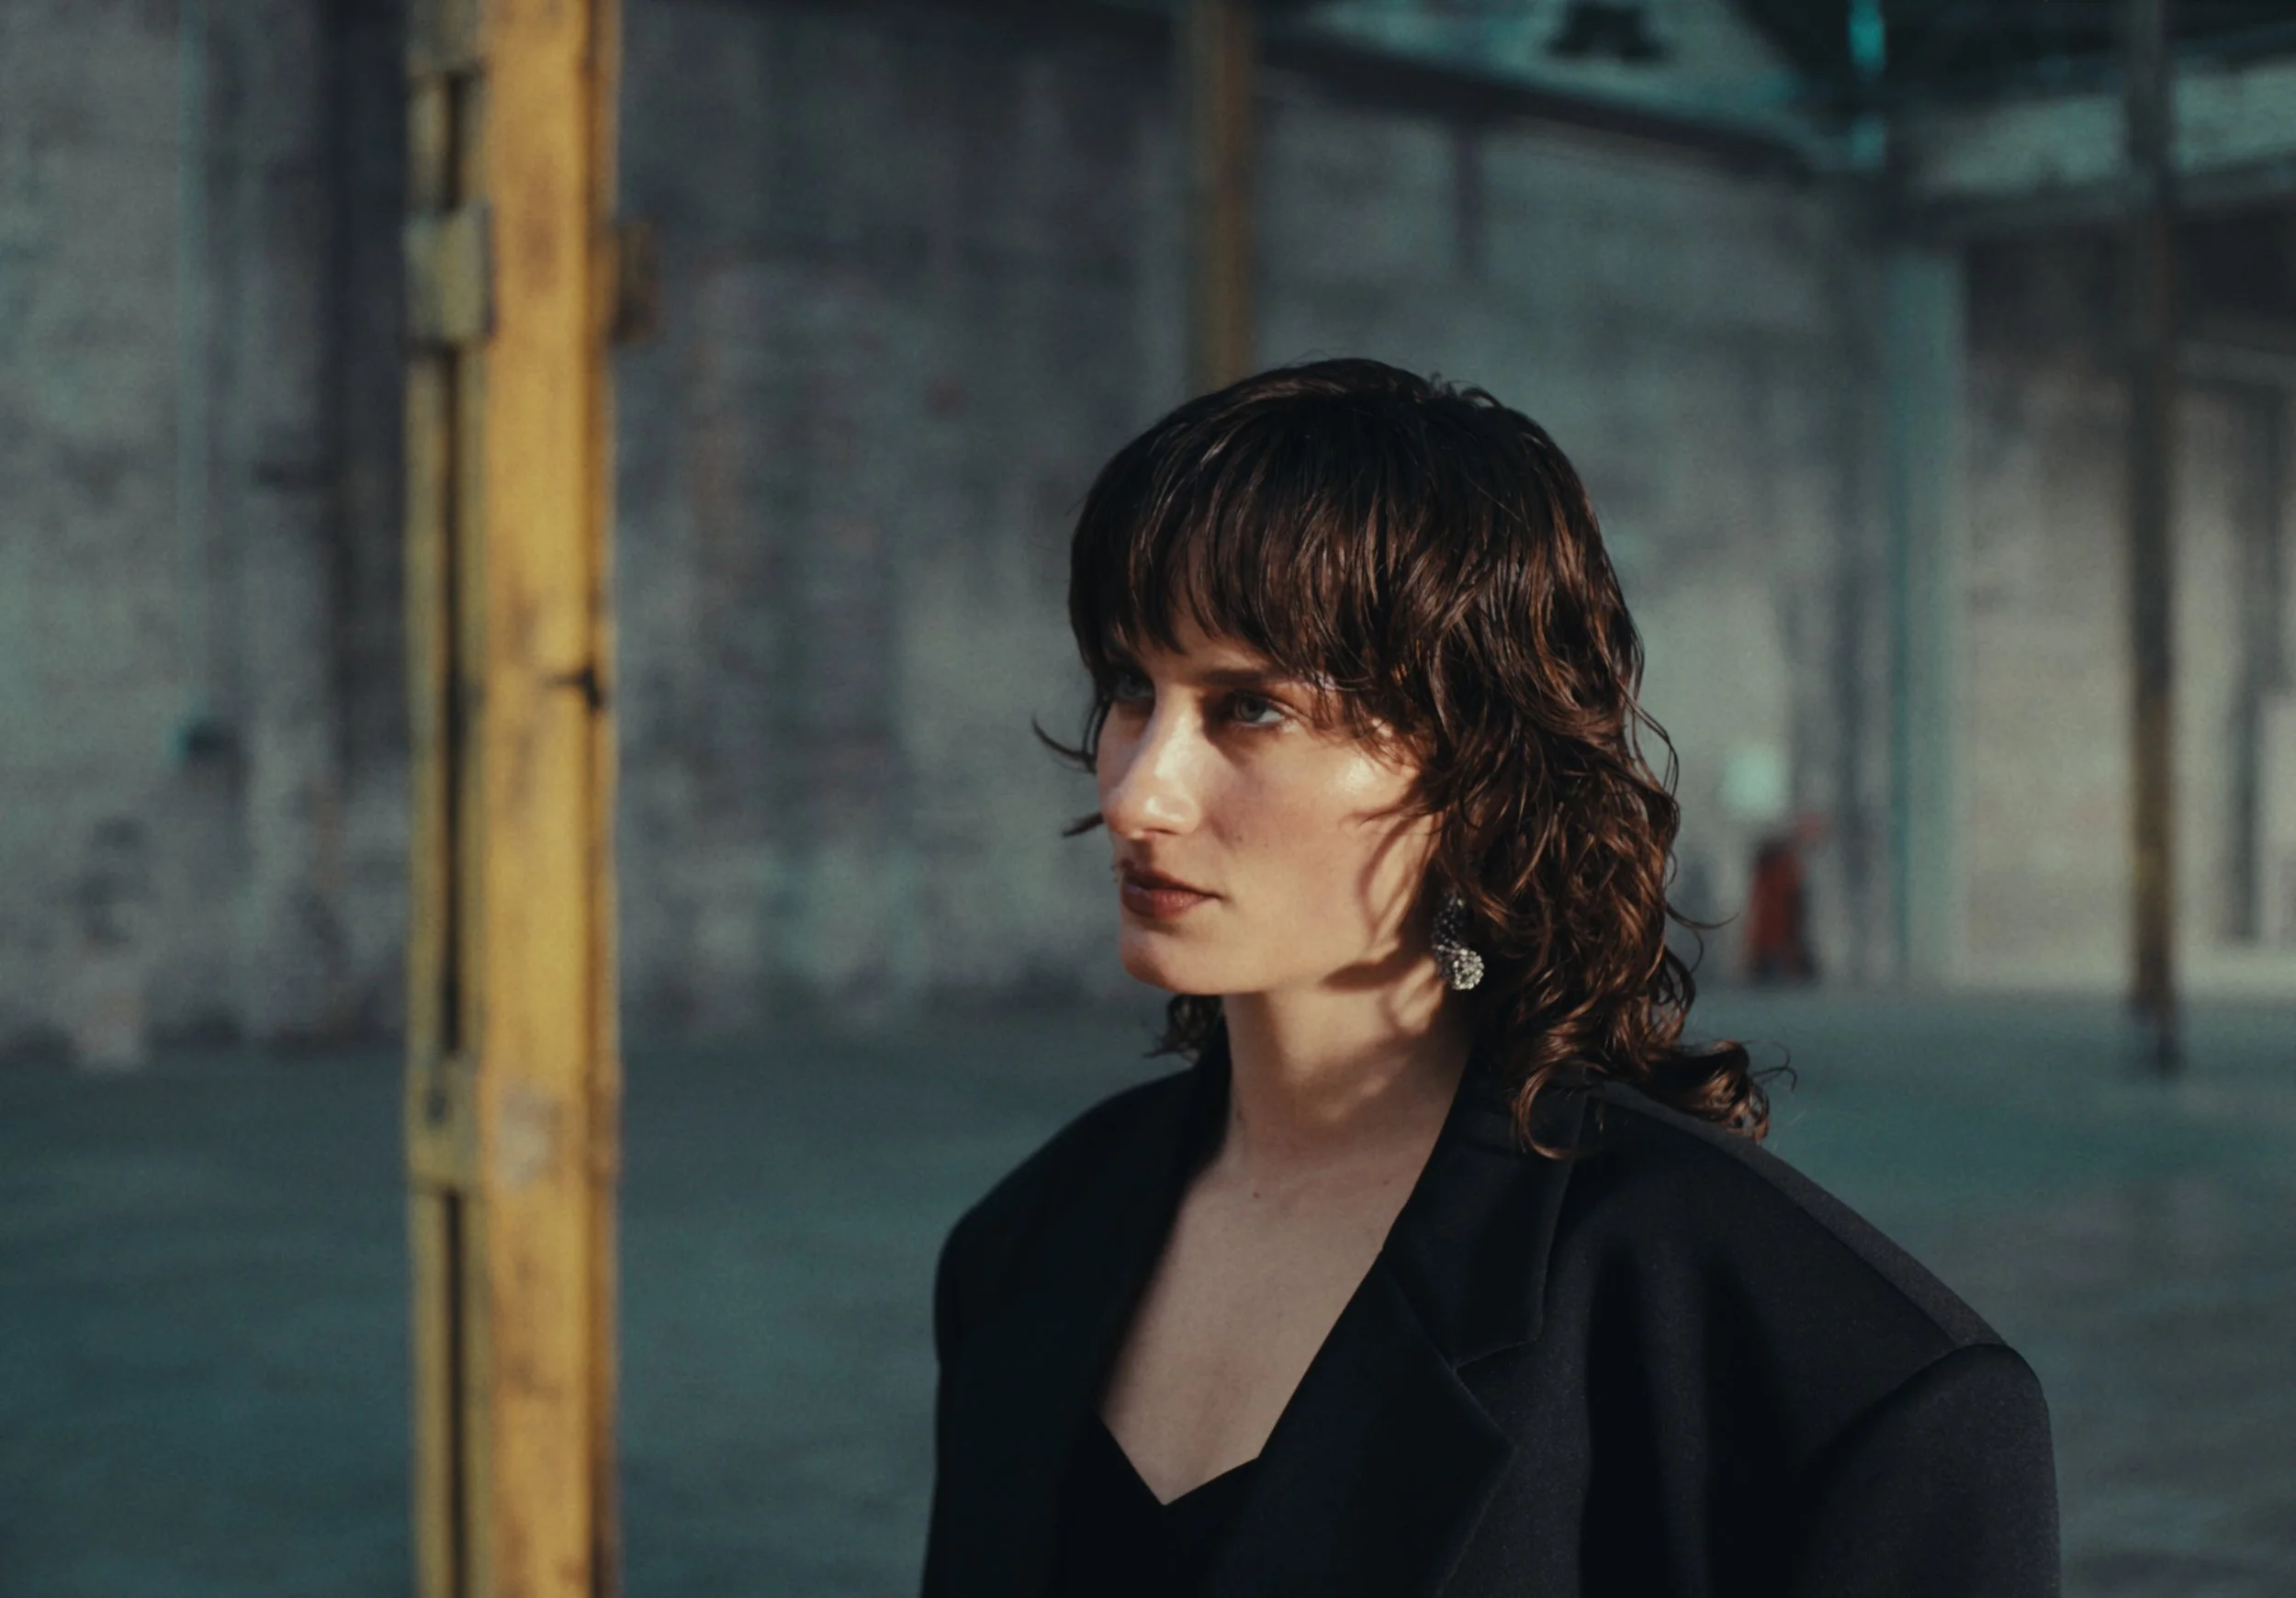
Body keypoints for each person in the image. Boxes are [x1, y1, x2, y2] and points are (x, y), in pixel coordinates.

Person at [919, 360, 2058, 1597]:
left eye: (1250, 709)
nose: (1138, 793)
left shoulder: (1836, 1383)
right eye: (1132, 689)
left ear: (1475, 766)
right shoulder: (1024, 1246)